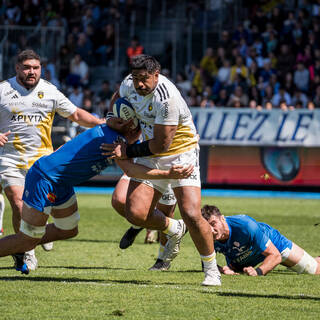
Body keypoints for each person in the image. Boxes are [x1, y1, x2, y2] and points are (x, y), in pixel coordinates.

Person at [0, 121, 192, 275]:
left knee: (67, 229)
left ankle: (18, 245)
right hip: (46, 178)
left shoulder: (116, 132)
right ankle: (20, 244)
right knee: (27, 240)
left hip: (62, 183)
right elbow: (131, 169)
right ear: (132, 127)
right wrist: (167, 173)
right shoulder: (116, 139)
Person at [104, 54, 221, 286]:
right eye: (136, 78)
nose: (139, 84)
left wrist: (127, 151)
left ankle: (211, 271)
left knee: (190, 212)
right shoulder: (129, 83)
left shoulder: (167, 99)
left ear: (156, 75)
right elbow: (118, 97)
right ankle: (176, 228)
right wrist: (110, 116)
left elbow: (161, 145)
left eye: (144, 79)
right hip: (149, 153)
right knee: (135, 213)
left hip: (181, 153)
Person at [0, 49, 105, 271]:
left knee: (59, 221)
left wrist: (100, 123)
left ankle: (27, 242)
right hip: (10, 161)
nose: (31, 72)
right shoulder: (3, 90)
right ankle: (26, 252)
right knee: (19, 204)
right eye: (27, 67)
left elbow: (75, 114)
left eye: (36, 68)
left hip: (43, 164)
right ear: (17, 68)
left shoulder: (49, 91)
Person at [201, 205, 320, 276]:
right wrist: (223, 270)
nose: (211, 230)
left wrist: (258, 272)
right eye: (207, 226)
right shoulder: (205, 234)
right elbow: (207, 264)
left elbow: (275, 255)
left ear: (222, 218)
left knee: (313, 269)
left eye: (213, 223)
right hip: (244, 260)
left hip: (275, 247)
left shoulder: (246, 226)